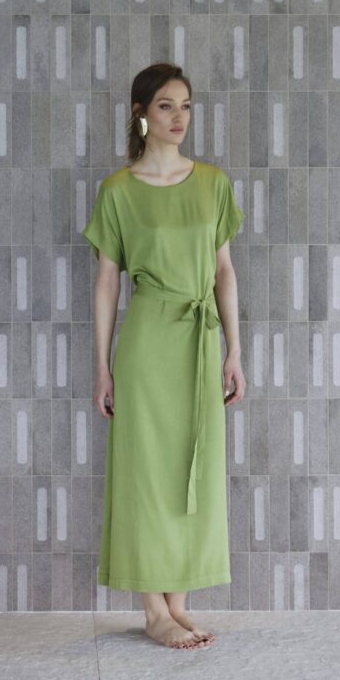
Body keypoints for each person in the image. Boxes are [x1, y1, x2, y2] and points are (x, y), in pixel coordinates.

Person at [82, 63, 246, 650]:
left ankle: (178, 604)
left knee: (192, 468)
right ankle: (153, 609)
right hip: (148, 342)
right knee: (145, 471)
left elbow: (224, 272)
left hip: (200, 342)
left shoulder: (213, 184)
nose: (180, 118)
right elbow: (107, 282)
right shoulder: (117, 192)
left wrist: (235, 350)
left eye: (186, 106)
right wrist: (102, 366)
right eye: (166, 106)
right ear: (141, 114)